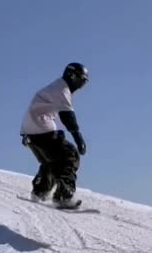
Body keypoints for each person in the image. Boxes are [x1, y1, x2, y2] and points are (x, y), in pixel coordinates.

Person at [20, 62, 89, 208]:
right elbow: (68, 117)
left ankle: (40, 191)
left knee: (51, 160)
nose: (80, 86)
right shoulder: (62, 89)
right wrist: (79, 139)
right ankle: (64, 196)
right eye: (80, 81)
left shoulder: (55, 87)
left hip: (30, 131)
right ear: (72, 76)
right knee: (70, 155)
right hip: (41, 128)